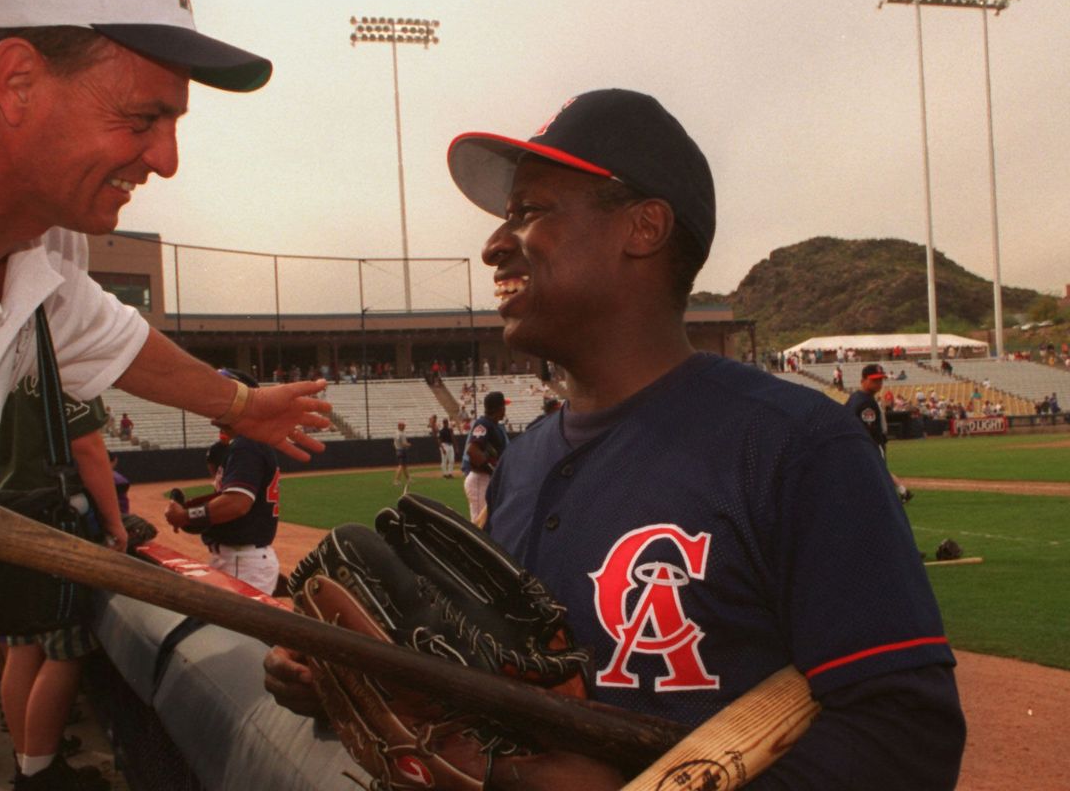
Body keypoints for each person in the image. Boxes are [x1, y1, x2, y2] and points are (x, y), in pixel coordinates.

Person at [268, 89, 965, 790]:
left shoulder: (792, 446)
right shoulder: (525, 462)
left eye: (530, 212)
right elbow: (497, 686)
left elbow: (905, 736)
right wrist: (344, 678)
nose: (492, 245)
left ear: (644, 227)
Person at [0, 0, 332, 787]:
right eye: (142, 118)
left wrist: (244, 406)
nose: (166, 160)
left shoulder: (40, 241)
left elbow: (111, 336)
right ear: (17, 81)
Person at [0, 381, 127, 790]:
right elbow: (87, 448)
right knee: (64, 651)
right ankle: (40, 774)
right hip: (49, 520)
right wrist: (114, 524)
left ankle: (27, 763)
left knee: (22, 647)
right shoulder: (61, 361)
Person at [164, 371, 283, 597]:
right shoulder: (245, 443)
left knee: (235, 631)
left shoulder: (247, 444)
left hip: (243, 562)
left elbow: (236, 504)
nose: (214, 401)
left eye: (224, 395)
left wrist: (186, 516)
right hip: (240, 559)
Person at [845, 364, 913, 503]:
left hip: (860, 446)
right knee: (878, 475)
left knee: (873, 476)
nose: (878, 383)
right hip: (869, 445)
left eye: (881, 380)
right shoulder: (865, 402)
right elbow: (869, 431)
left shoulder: (855, 398)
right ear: (863, 381)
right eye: (874, 380)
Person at [461, 391, 510, 525]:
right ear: (500, 408)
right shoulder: (483, 423)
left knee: (491, 522)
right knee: (479, 526)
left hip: (487, 480)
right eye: (503, 407)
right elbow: (472, 450)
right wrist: (491, 469)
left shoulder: (495, 426)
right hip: (480, 480)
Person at [392, 421, 412, 487]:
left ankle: (408, 479)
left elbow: (394, 443)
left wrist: (397, 449)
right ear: (399, 426)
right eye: (403, 425)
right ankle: (396, 480)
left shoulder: (396, 433)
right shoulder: (401, 434)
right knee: (401, 466)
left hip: (398, 450)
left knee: (405, 466)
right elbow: (404, 444)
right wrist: (409, 444)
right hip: (402, 450)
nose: (404, 426)